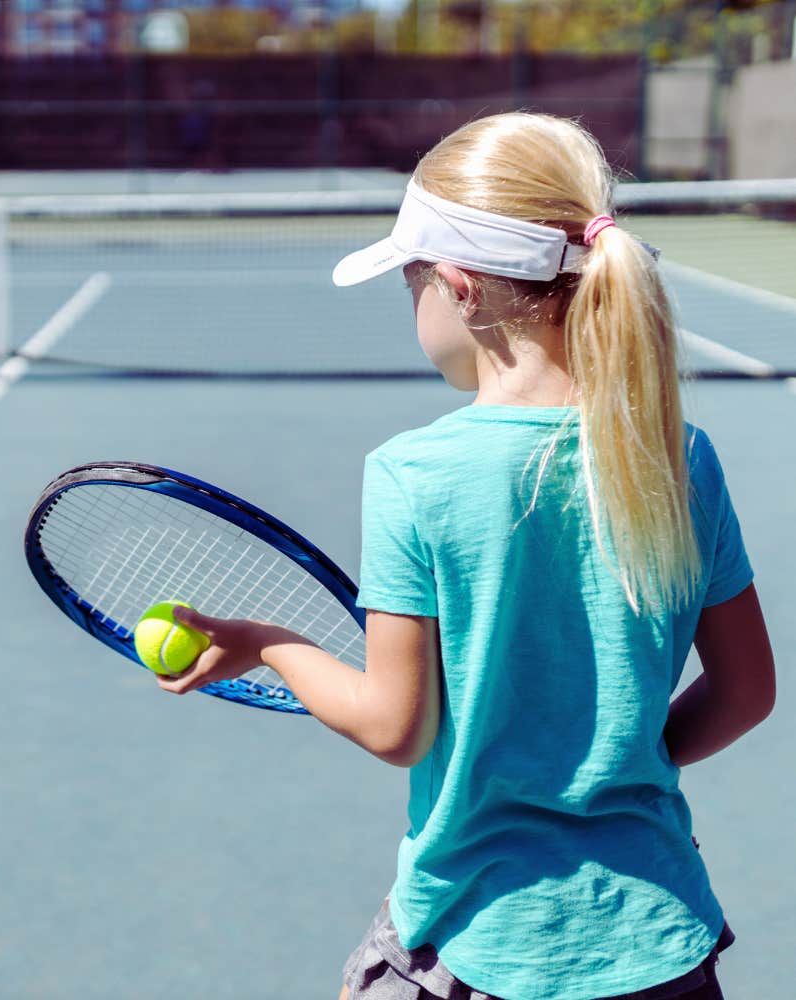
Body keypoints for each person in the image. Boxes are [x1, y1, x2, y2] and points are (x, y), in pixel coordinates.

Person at [159, 113, 776, 1000]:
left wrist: (266, 643)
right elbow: (748, 692)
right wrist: (620, 762)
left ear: (462, 289)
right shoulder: (683, 455)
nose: (409, 298)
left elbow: (396, 726)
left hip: (478, 942)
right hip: (661, 940)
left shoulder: (414, 475)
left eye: (410, 279)